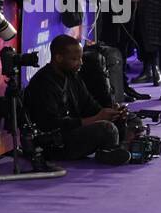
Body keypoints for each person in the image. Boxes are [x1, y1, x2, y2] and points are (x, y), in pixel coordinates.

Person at [24, 35, 131, 164]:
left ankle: (114, 150)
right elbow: (51, 125)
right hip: (54, 143)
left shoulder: (72, 76)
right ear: (58, 58)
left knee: (127, 120)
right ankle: (111, 150)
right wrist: (97, 119)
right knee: (107, 129)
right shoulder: (43, 83)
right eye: (75, 59)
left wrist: (112, 113)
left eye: (80, 58)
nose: (80, 63)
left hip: (73, 131)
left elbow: (89, 106)